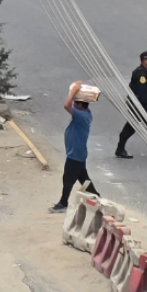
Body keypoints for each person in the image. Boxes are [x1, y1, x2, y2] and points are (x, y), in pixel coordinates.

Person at [50, 81, 99, 213]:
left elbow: (66, 105)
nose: (74, 105)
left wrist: (74, 91)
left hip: (75, 154)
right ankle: (96, 198)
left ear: (80, 105)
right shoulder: (85, 113)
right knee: (83, 178)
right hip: (78, 152)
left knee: (68, 179)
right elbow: (71, 106)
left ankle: (63, 203)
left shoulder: (81, 116)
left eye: (76, 103)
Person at [116, 51, 147, 159]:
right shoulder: (141, 74)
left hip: (138, 104)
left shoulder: (144, 72)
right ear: (144, 60)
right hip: (139, 105)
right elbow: (142, 93)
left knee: (135, 127)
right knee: (138, 127)